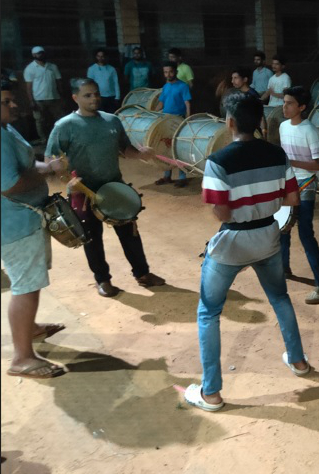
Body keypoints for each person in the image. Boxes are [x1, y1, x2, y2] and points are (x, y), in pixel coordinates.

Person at [185, 92, 309, 412]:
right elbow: (293, 200)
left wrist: (229, 199)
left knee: (208, 313)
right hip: (268, 237)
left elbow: (223, 215)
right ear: (259, 122)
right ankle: (298, 361)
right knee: (280, 298)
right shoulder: (277, 155)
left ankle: (211, 393)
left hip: (233, 244)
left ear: (229, 122)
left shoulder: (218, 161)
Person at [46, 78, 165, 297]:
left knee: (130, 232)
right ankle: (103, 280)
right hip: (83, 191)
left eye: (96, 94)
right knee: (92, 238)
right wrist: (65, 178)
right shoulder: (65, 126)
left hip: (113, 186)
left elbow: (124, 149)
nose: (94, 99)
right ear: (75, 98)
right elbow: (51, 157)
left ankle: (143, 274)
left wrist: (140, 155)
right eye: (87, 95)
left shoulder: (112, 121)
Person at [1, 81, 68, 379]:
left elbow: (29, 164)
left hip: (25, 218)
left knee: (31, 281)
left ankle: (32, 328)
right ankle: (22, 358)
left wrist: (47, 166)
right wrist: (49, 171)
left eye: (12, 100)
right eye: (6, 101)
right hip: (15, 222)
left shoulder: (6, 129)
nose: (14, 105)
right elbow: (10, 184)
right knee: (25, 286)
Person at [278, 86, 319, 304]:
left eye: (290, 103)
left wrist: (293, 163)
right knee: (283, 229)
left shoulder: (309, 130)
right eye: (284, 102)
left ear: (301, 107)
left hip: (306, 183)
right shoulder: (283, 126)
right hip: (288, 182)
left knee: (305, 234)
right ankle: (284, 269)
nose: (284, 106)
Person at [154, 62, 192, 187]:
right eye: (165, 72)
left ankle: (182, 177)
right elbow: (161, 103)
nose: (168, 74)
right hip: (165, 121)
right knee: (165, 147)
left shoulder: (183, 86)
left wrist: (187, 118)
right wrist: (152, 114)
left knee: (178, 148)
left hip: (178, 120)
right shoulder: (165, 87)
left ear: (175, 72)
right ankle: (167, 176)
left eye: (170, 71)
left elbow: (187, 103)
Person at [23, 46, 64, 145]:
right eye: (37, 53)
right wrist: (31, 101)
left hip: (54, 97)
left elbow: (59, 82)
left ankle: (61, 137)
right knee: (40, 120)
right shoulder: (30, 69)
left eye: (41, 53)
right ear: (33, 55)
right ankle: (44, 139)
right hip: (38, 99)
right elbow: (28, 87)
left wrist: (62, 96)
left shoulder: (52, 67)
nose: (40, 55)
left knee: (59, 119)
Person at [86, 49, 121, 113]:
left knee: (112, 115)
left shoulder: (111, 69)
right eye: (98, 56)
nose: (100, 58)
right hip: (99, 96)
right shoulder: (91, 69)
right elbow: (89, 84)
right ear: (96, 57)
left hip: (111, 96)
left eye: (102, 56)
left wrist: (117, 96)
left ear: (105, 57)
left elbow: (116, 83)